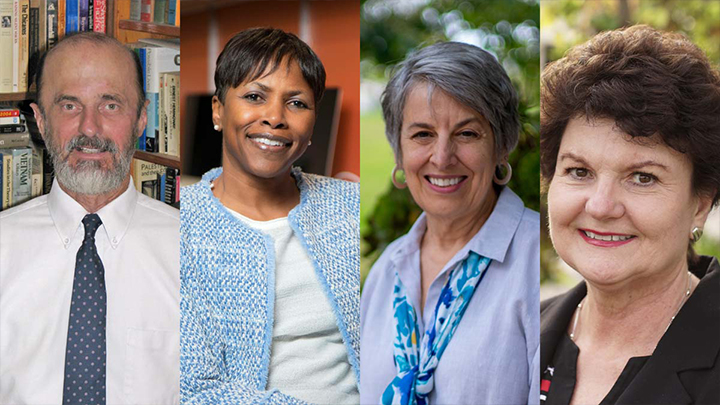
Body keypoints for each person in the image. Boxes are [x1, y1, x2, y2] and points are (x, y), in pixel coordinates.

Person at [540, 25, 720, 404]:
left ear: (700, 203)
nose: (601, 206)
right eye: (579, 171)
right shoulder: (521, 334)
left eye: (642, 177)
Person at [180, 28, 359, 404]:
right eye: (254, 96)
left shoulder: (350, 206)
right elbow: (194, 389)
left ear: (312, 124)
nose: (275, 117)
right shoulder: (180, 226)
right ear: (218, 110)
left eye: (296, 103)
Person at [0, 33, 179, 404]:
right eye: (69, 106)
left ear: (142, 117)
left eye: (110, 105)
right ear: (40, 120)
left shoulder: (191, 249)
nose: (89, 128)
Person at [360, 41, 540, 405]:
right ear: (399, 150)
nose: (442, 157)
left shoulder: (534, 259)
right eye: (422, 134)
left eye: (467, 133)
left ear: (501, 146)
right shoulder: (385, 271)